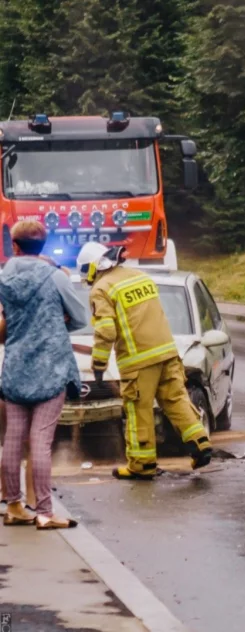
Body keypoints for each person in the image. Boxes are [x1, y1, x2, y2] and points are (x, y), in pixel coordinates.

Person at [75, 242, 213, 480]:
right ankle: (200, 443)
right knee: (176, 400)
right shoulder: (140, 277)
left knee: (139, 410)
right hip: (168, 353)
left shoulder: (101, 288)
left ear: (93, 266)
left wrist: (99, 366)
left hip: (138, 361)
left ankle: (141, 465)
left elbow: (106, 331)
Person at [0, 221, 87, 529]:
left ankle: (13, 506)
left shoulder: (3, 276)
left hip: (15, 365)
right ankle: (45, 513)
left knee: (13, 437)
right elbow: (80, 317)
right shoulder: (54, 277)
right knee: (40, 440)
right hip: (51, 367)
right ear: (43, 246)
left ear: (16, 245)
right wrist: (55, 322)